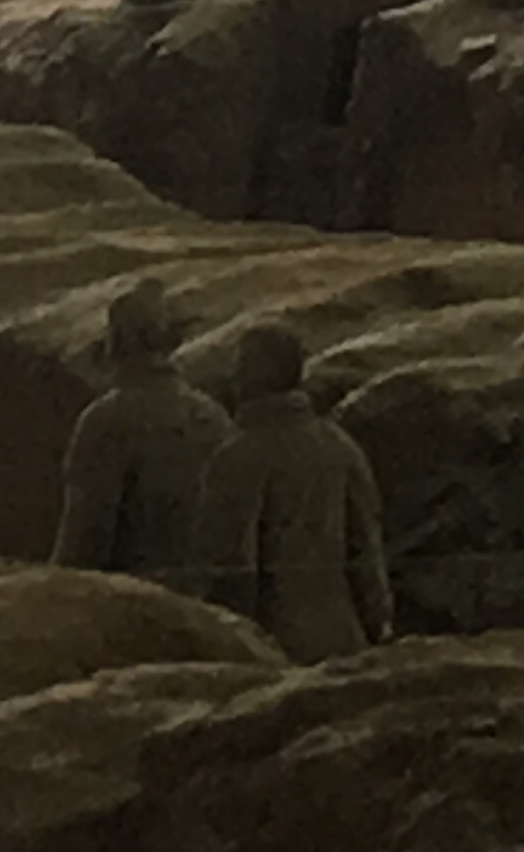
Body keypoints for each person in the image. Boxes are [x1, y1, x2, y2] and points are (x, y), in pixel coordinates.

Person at [192, 323, 395, 663]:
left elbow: (230, 572)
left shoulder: (235, 459)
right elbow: (367, 553)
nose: (233, 376)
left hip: (270, 651)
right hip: (345, 642)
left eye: (241, 365)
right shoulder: (340, 446)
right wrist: (377, 625)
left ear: (254, 376)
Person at [51, 283, 233, 589]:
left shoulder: (105, 421)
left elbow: (85, 540)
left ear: (118, 341)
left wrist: (48, 593)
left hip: (136, 600)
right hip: (208, 598)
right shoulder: (214, 417)